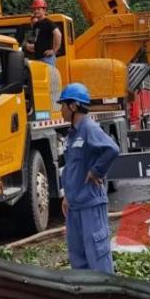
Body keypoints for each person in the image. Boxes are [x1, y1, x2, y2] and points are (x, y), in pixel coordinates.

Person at [59, 83, 120, 273]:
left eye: (63, 105)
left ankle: (107, 298)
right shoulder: (73, 134)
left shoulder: (89, 128)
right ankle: (86, 298)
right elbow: (73, 169)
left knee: (98, 256)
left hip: (91, 205)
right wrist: (68, 196)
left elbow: (112, 149)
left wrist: (96, 171)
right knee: (78, 257)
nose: (60, 110)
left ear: (73, 106)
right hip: (75, 206)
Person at [23, 0, 62, 104]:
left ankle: (54, 107)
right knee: (41, 87)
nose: (36, 11)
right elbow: (35, 40)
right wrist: (30, 46)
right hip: (38, 59)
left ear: (44, 10)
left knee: (50, 85)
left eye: (38, 9)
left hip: (47, 59)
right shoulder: (37, 25)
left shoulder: (48, 22)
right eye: (34, 9)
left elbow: (58, 34)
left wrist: (54, 50)